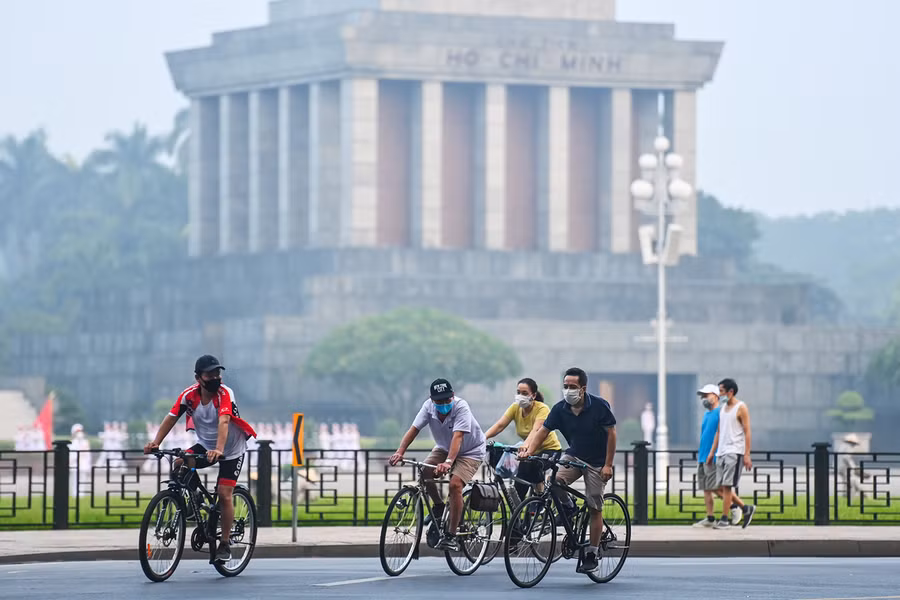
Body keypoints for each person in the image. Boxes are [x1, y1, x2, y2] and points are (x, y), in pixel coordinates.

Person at [144, 355, 257, 563]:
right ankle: (191, 498)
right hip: (205, 445)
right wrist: (156, 443)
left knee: (224, 494)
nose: (215, 377)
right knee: (180, 463)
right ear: (198, 378)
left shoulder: (225, 393)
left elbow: (224, 421)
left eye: (217, 373)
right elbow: (171, 417)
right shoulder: (189, 396)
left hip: (230, 448)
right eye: (210, 374)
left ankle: (224, 544)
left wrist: (219, 449)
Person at [519, 367, 616, 574]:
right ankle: (568, 506)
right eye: (565, 386)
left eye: (572, 387)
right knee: (553, 481)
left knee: (594, 505)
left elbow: (612, 434)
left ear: (583, 388)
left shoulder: (599, 406)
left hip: (597, 462)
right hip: (573, 455)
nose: (568, 390)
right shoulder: (560, 409)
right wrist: (529, 451)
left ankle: (591, 552)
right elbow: (542, 431)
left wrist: (608, 464)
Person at [389, 378, 486, 551]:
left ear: (453, 396)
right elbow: (414, 429)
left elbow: (458, 436)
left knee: (455, 485)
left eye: (447, 400)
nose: (443, 404)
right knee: (425, 471)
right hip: (443, 447)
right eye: (439, 401)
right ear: (432, 399)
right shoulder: (428, 407)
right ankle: (439, 507)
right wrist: (400, 451)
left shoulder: (461, 407)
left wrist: (449, 462)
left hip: (470, 451)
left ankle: (451, 535)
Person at [484, 377, 562, 501]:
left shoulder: (542, 408)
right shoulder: (515, 408)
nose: (520, 396)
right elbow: (500, 425)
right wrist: (483, 438)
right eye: (518, 392)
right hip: (528, 449)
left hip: (549, 450)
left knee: (532, 467)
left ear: (533, 395)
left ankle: (540, 498)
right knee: (520, 478)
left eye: (525, 393)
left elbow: (535, 430)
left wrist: (526, 445)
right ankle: (518, 512)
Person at [706, 378, 756, 529]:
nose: (719, 395)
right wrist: (712, 452)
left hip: (734, 452)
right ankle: (745, 508)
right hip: (721, 452)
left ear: (730, 391)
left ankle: (724, 519)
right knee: (717, 485)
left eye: (721, 391)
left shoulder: (741, 407)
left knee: (727, 486)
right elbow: (719, 432)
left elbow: (747, 431)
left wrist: (747, 454)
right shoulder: (722, 409)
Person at [692, 384, 729, 527]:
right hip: (703, 456)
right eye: (703, 396)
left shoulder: (720, 412)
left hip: (712, 456)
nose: (704, 399)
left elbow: (719, 435)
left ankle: (735, 507)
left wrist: (712, 453)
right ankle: (710, 517)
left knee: (715, 487)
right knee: (706, 489)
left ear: (716, 396)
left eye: (706, 395)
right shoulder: (706, 414)